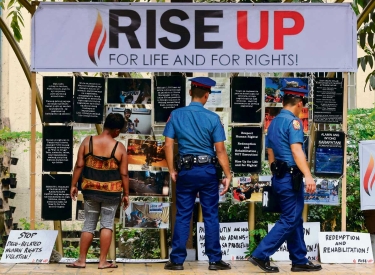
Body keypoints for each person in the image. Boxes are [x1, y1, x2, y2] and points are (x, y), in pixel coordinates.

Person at [248, 89, 322, 273]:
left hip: (280, 176)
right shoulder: (293, 122)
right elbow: (297, 151)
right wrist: (308, 175)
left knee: (294, 218)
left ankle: (299, 260)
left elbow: (271, 152)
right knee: (290, 218)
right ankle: (260, 254)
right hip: (290, 177)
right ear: (299, 103)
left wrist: (275, 173)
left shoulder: (273, 123)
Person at [163, 77, 232, 271]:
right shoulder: (212, 118)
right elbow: (220, 150)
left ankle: (177, 261)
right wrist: (227, 174)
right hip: (208, 171)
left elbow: (168, 144)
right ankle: (214, 260)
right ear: (207, 95)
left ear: (190, 92)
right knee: (210, 215)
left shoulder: (176, 115)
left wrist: (171, 170)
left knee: (183, 214)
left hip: (186, 171)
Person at [67, 113, 129, 270]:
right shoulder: (119, 147)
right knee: (107, 224)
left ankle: (81, 260)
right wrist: (126, 194)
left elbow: (79, 165)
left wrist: (73, 184)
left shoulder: (88, 141)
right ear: (116, 130)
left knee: (89, 223)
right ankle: (102, 262)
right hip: (111, 193)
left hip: (90, 190)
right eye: (119, 131)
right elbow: (124, 174)